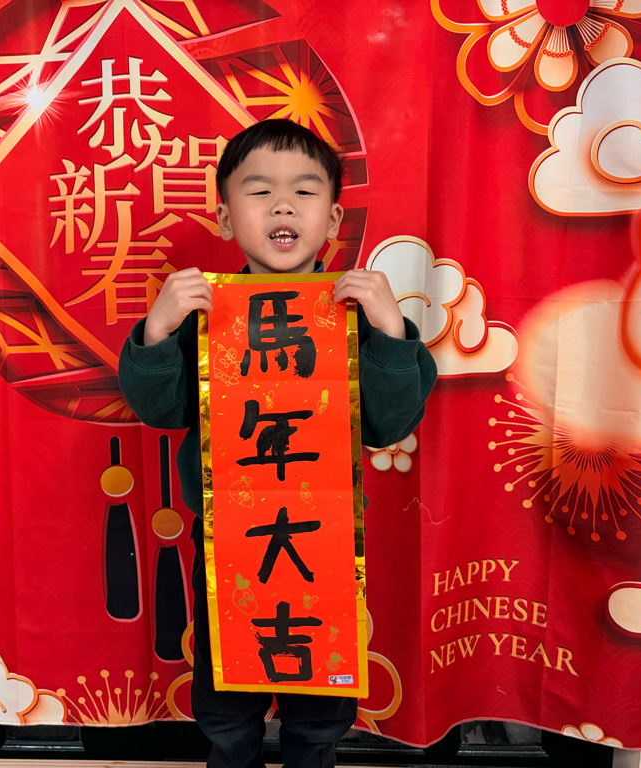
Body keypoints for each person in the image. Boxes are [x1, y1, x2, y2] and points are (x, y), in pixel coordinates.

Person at [118, 119, 436, 768]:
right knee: (226, 707)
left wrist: (390, 333)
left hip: (323, 544)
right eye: (260, 191)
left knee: (319, 714)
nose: (283, 205)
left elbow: (389, 424)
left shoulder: (357, 313)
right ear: (225, 217)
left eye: (305, 191)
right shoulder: (203, 313)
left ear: (334, 218)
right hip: (227, 544)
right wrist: (156, 332)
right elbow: (160, 410)